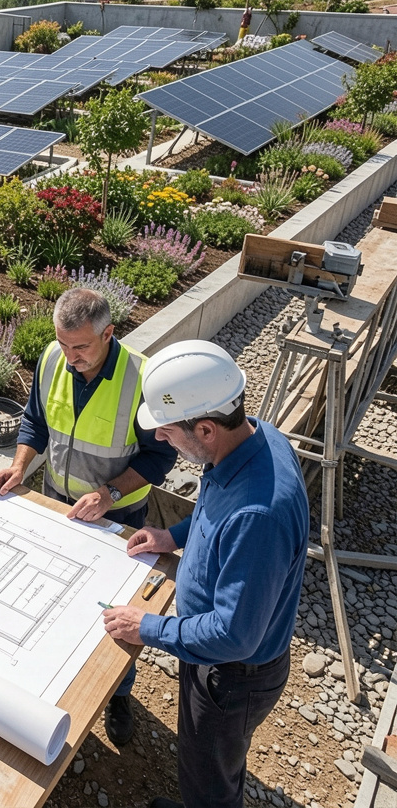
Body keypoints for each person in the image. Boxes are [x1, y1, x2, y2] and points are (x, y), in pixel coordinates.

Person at [102, 340, 309, 808]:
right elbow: (213, 507)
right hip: (215, 661)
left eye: (169, 431)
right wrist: (172, 536)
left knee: (209, 781)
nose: (160, 440)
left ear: (207, 429)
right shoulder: (257, 438)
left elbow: (234, 635)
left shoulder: (258, 515)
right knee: (203, 761)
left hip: (230, 676)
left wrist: (147, 627)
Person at [0, 288, 174, 745]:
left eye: (81, 347)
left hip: (120, 517)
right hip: (58, 502)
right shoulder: (53, 357)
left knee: (114, 615)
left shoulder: (142, 380)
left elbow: (159, 458)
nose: (70, 357)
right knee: (56, 601)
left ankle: (118, 693)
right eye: (64, 344)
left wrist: (109, 494)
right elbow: (34, 420)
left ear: (109, 334)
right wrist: (19, 464)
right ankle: (53, 681)